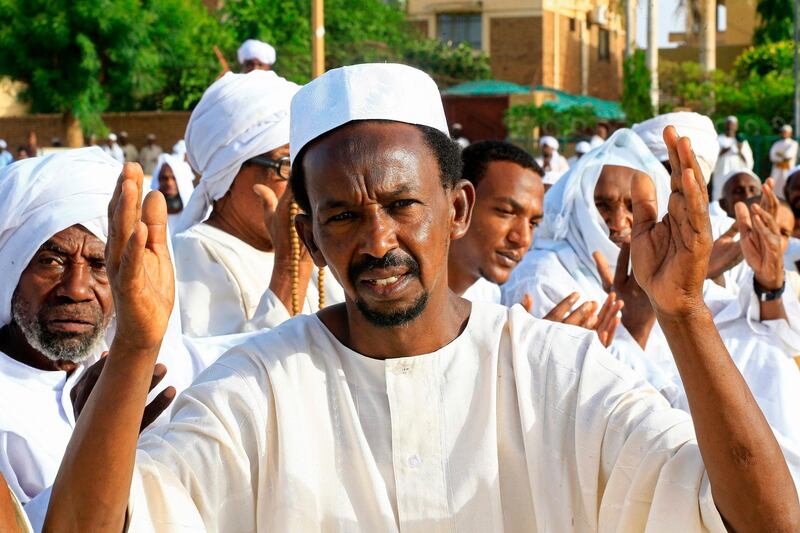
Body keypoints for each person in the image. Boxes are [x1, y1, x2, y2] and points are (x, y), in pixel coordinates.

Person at [44, 63, 799, 532]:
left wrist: (687, 315)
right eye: (342, 213)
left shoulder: (559, 376)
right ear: (306, 228)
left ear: (457, 209)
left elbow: (765, 521)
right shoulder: (255, 391)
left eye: (404, 204)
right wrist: (136, 347)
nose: (376, 241)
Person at [0, 149, 239, 507]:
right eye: (51, 261)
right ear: (10, 271)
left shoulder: (145, 371)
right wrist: (102, 441)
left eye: (99, 264)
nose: (76, 289)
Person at [172, 70, 343, 337]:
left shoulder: (313, 245)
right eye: (286, 165)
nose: (303, 185)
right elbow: (218, 372)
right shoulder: (195, 252)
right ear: (230, 173)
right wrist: (288, 269)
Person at [447, 141, 544, 303]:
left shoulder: (488, 296)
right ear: (458, 207)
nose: (523, 239)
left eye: (533, 223)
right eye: (506, 212)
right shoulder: (398, 294)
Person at [149, 153, 195, 234]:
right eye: (164, 178)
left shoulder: (196, 220)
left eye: (174, 178)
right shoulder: (146, 218)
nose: (169, 183)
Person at [713, 116, 754, 199]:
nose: (730, 127)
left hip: (736, 171)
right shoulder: (718, 139)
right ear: (725, 126)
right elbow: (713, 157)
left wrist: (739, 150)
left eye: (732, 125)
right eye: (728, 125)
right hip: (722, 172)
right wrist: (724, 151)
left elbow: (748, 161)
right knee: (720, 193)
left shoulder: (741, 141)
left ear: (736, 127)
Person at [770, 124, 798, 196]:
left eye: (786, 132)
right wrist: (783, 156)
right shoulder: (777, 144)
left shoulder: (793, 144)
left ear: (790, 133)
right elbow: (772, 156)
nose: (784, 133)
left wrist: (779, 154)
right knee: (774, 187)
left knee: (787, 185)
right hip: (777, 169)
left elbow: (788, 155)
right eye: (783, 132)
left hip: (787, 169)